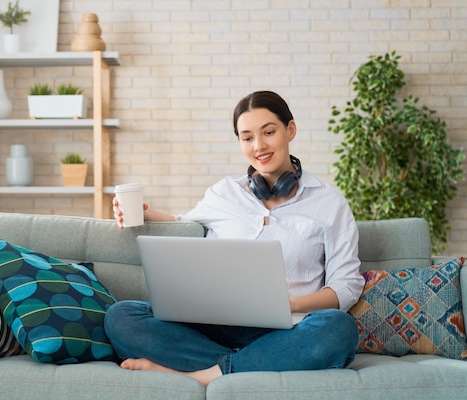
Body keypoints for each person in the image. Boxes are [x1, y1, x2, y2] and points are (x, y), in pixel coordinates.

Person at [105, 90, 365, 386]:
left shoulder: (330, 202)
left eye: (269, 132)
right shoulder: (224, 192)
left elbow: (346, 284)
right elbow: (184, 224)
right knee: (121, 316)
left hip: (286, 329)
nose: (259, 146)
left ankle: (203, 375)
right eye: (247, 137)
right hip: (212, 325)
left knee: (339, 329)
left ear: (289, 130)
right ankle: (256, 362)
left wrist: (287, 304)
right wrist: (142, 213)